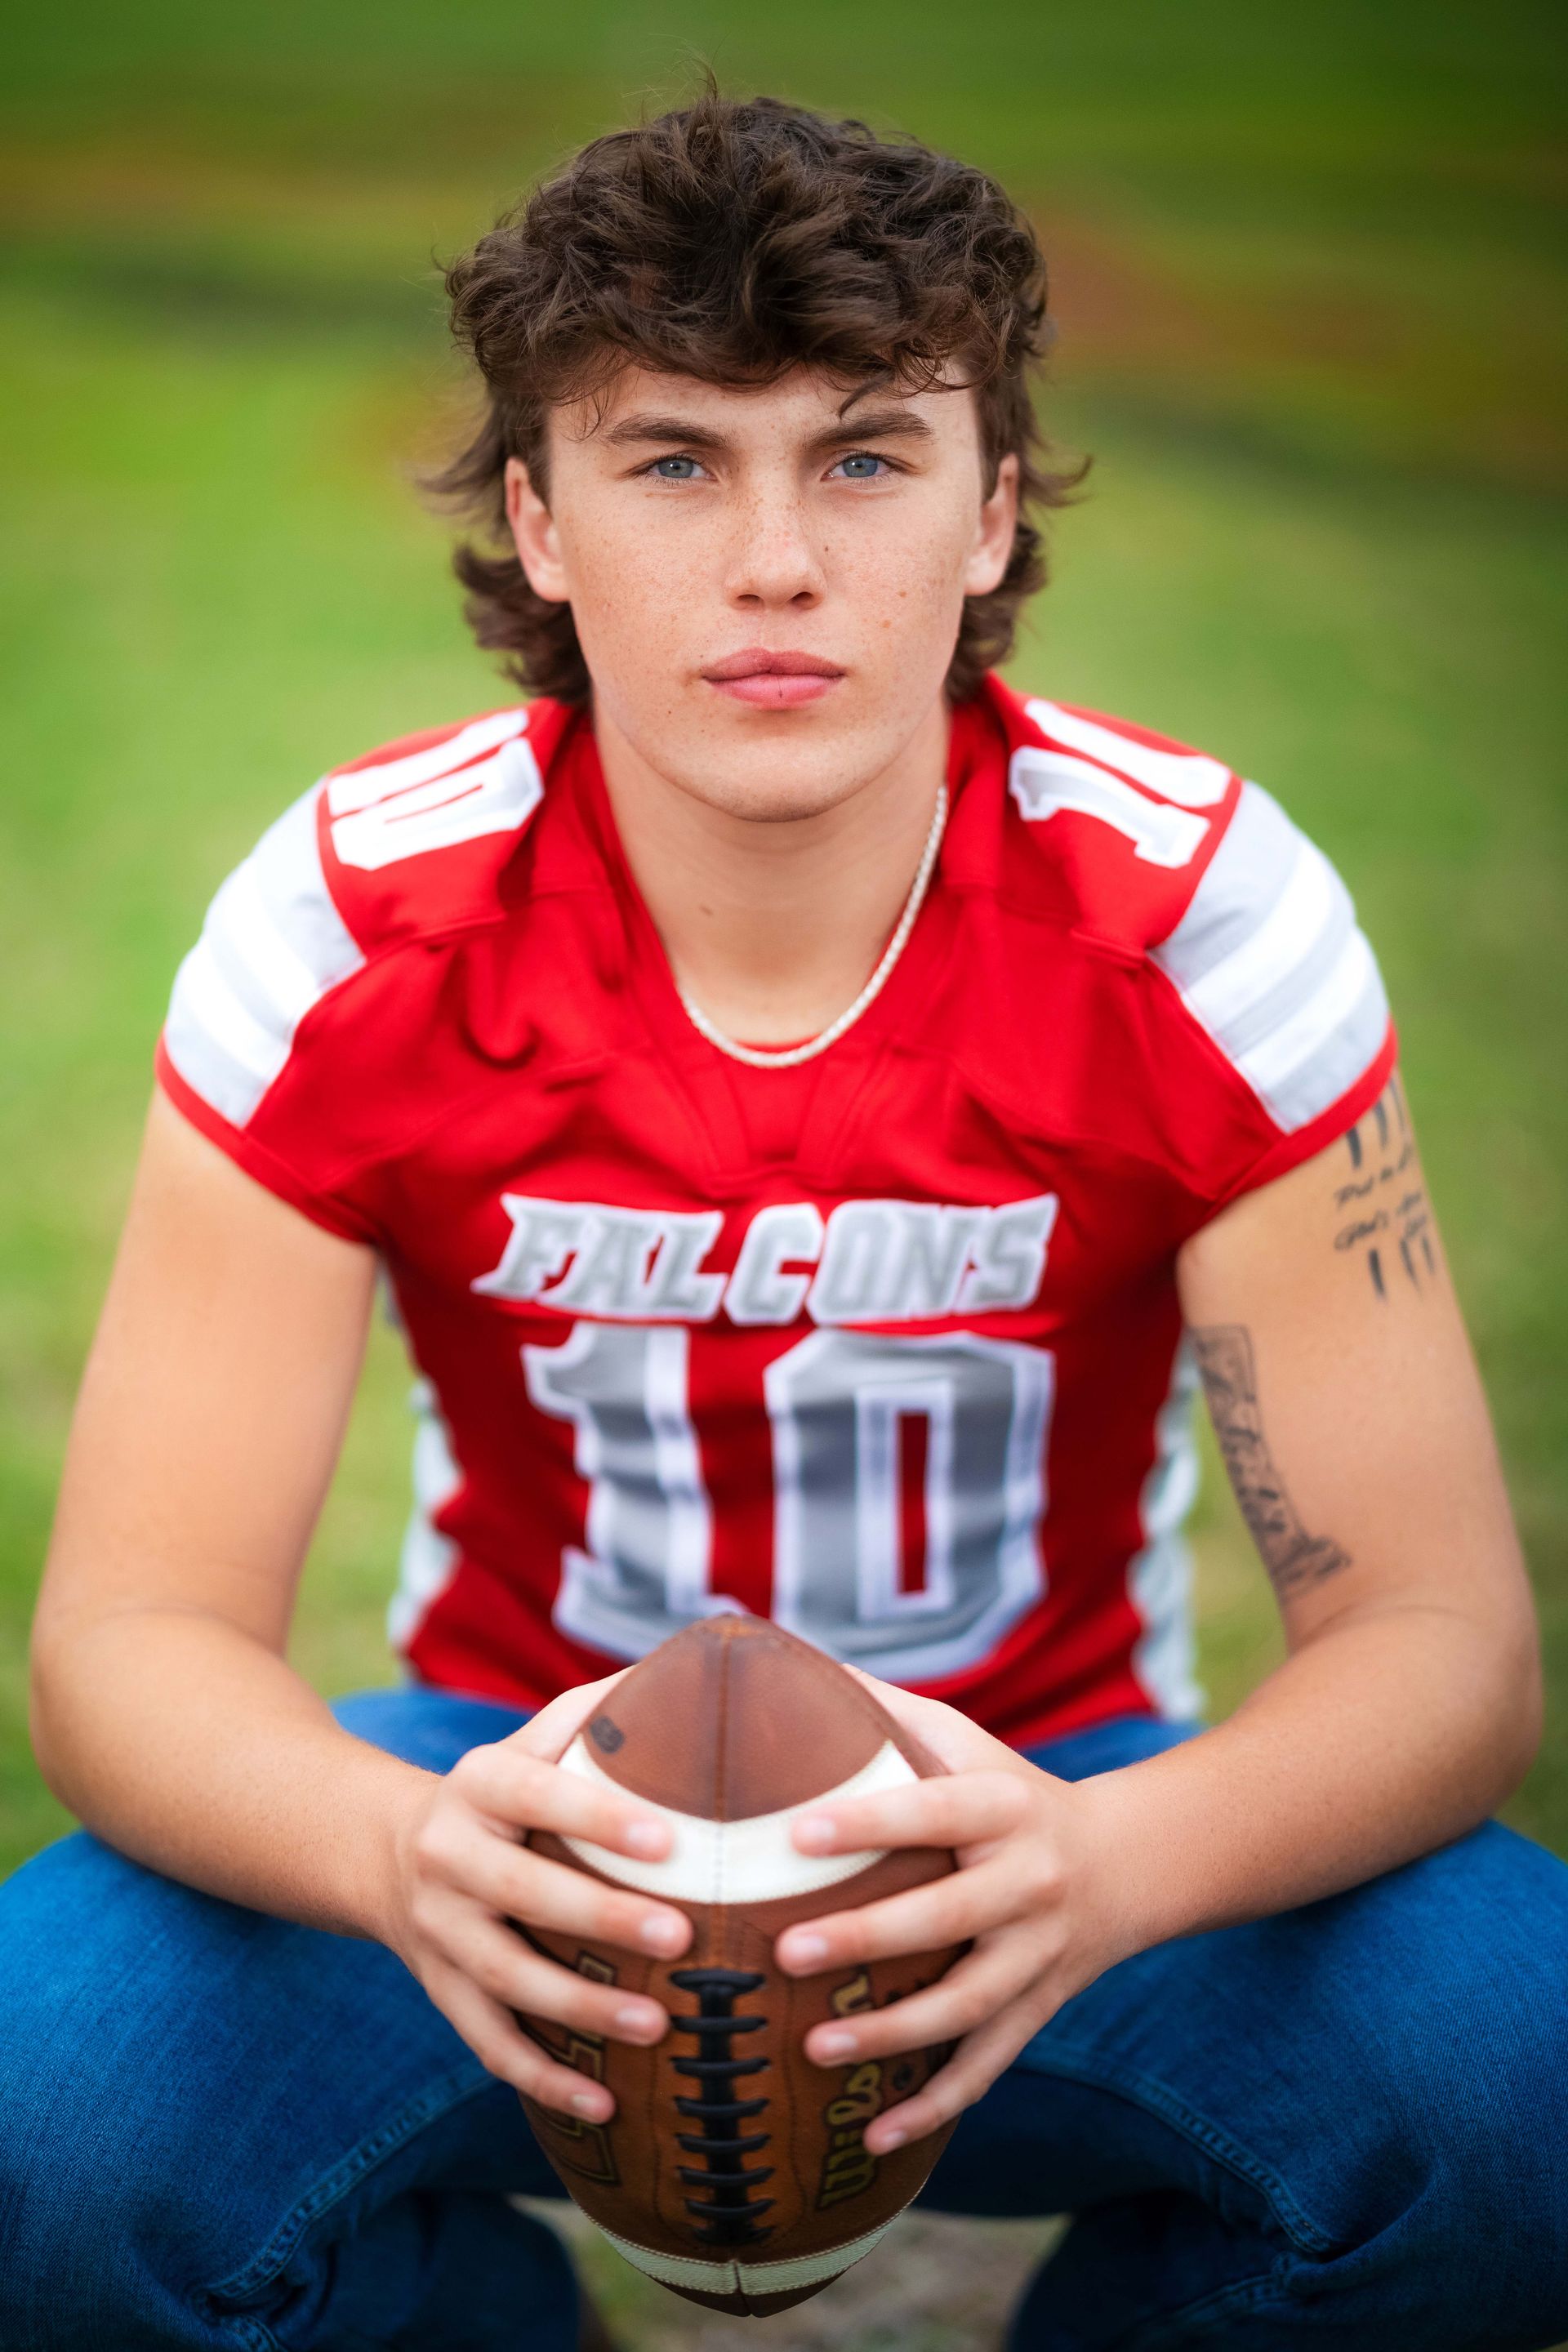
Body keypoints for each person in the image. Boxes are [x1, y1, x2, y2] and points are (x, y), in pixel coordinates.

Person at [2, 88, 1564, 2352]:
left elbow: (1444, 1646)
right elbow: (129, 1637)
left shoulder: (1202, 922)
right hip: (523, 1807)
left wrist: (1100, 1870)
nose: (774, 564)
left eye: (860, 456)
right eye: (671, 462)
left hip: (1054, 1809)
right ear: (536, 520)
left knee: (1514, 2069)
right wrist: (400, 1857)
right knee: (56, 2117)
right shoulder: (351, 928)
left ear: (993, 501)